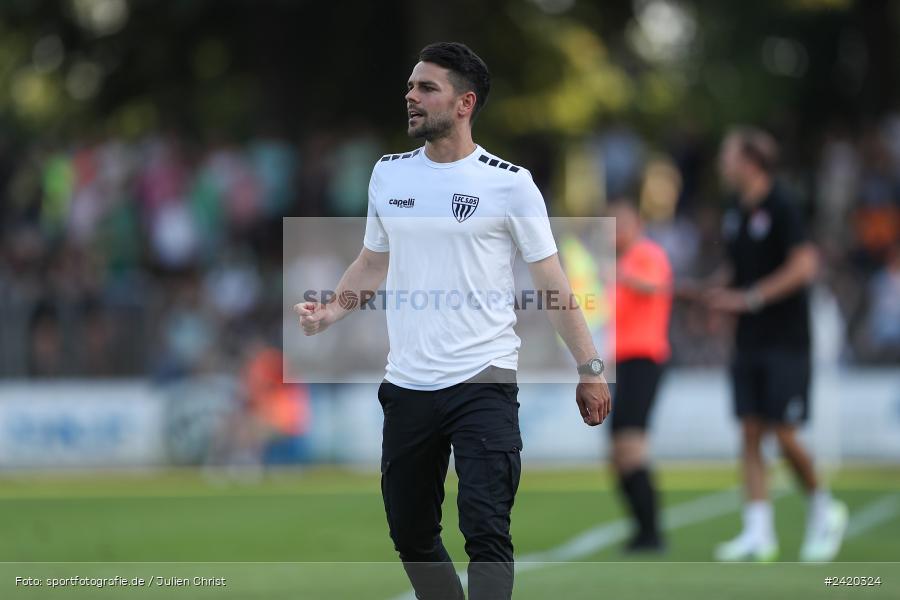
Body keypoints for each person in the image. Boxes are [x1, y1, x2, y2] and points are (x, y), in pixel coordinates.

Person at [294, 42, 611, 600]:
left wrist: (588, 367)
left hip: (483, 379)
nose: (410, 97)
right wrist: (330, 312)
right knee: (411, 534)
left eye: (426, 88)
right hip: (408, 384)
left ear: (464, 103)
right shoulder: (388, 176)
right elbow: (371, 263)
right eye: (411, 86)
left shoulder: (510, 184)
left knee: (486, 531)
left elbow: (553, 282)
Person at [696, 126, 847, 562]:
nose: (723, 164)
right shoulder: (735, 211)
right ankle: (759, 533)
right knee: (749, 432)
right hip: (749, 341)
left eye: (728, 155)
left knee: (784, 434)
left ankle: (824, 507)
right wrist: (713, 294)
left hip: (787, 341)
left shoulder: (782, 203)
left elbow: (804, 265)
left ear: (750, 161)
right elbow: (736, 268)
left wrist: (749, 298)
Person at [608, 197, 673, 553]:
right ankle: (643, 530)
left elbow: (654, 286)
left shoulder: (646, 254)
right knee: (619, 449)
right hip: (623, 362)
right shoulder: (621, 262)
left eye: (621, 220)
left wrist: (620, 274)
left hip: (644, 359)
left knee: (631, 445)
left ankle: (651, 533)